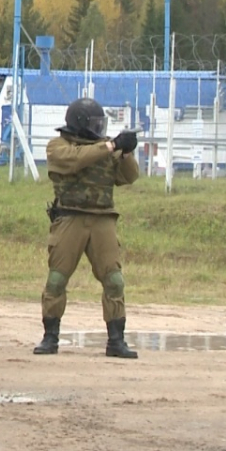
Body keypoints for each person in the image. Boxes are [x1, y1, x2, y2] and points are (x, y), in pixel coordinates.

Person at [33, 98, 140, 359]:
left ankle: (116, 340)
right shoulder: (58, 146)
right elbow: (74, 160)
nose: (99, 128)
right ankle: (50, 337)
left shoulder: (104, 149)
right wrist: (111, 145)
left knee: (114, 280)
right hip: (71, 217)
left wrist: (125, 153)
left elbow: (129, 176)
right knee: (57, 279)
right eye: (94, 123)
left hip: (102, 219)